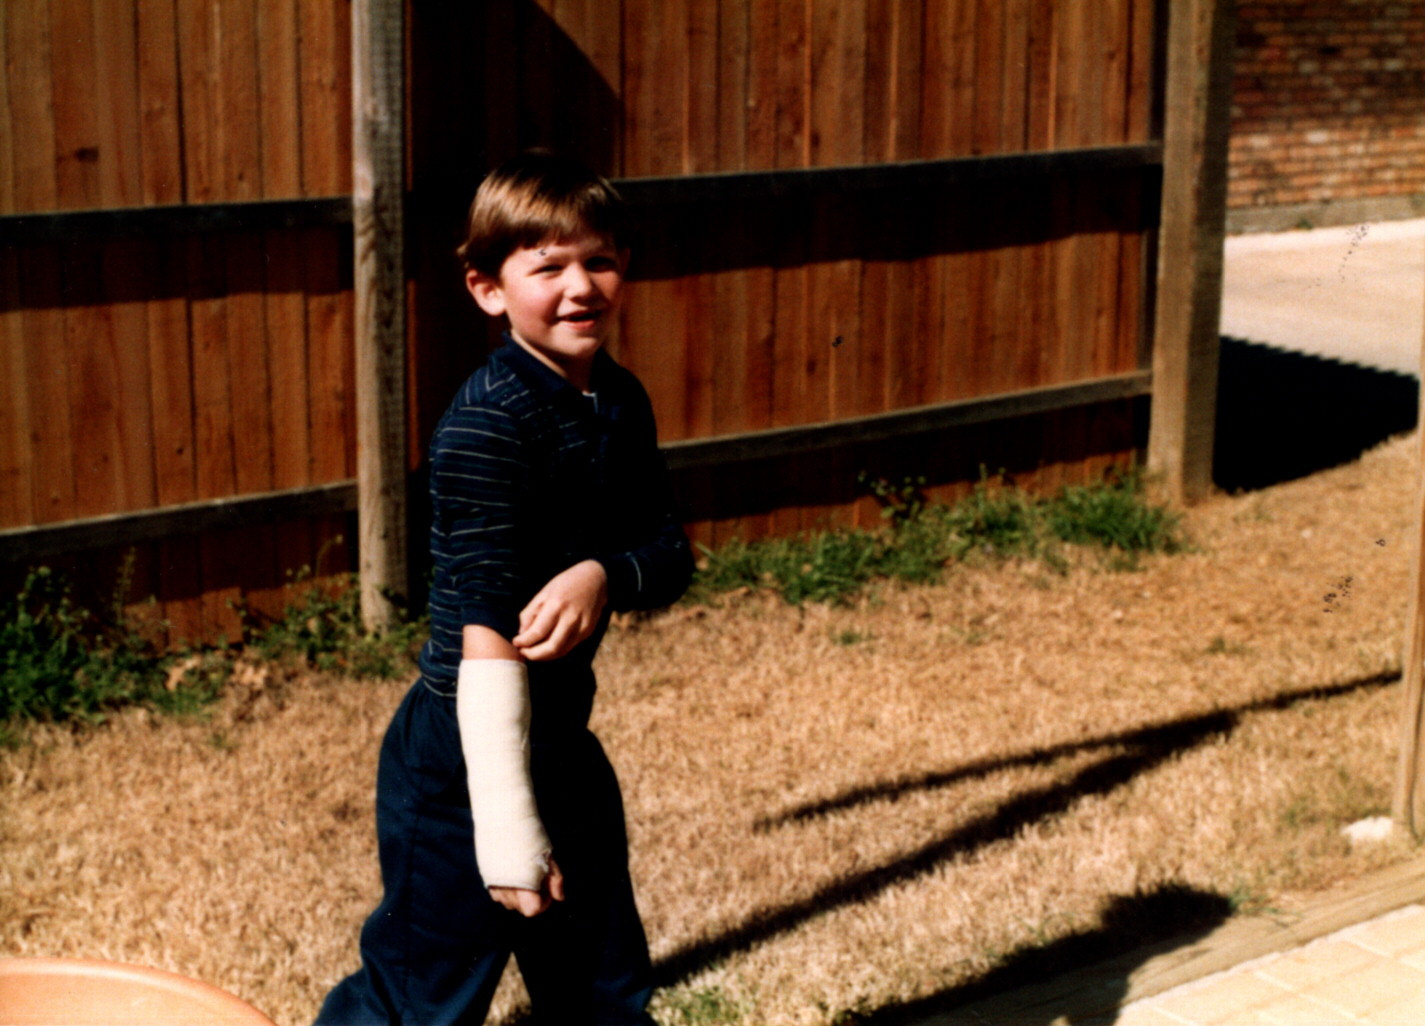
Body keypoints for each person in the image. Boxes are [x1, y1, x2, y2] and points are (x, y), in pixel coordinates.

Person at [316, 150, 694, 1025]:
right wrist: (507, 822)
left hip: (560, 740)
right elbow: (483, 631)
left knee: (601, 990)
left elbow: (668, 553)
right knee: (422, 1003)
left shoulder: (617, 400)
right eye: (548, 267)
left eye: (599, 260)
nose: (580, 287)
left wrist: (604, 574)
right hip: (463, 757)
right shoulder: (487, 425)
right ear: (488, 290)